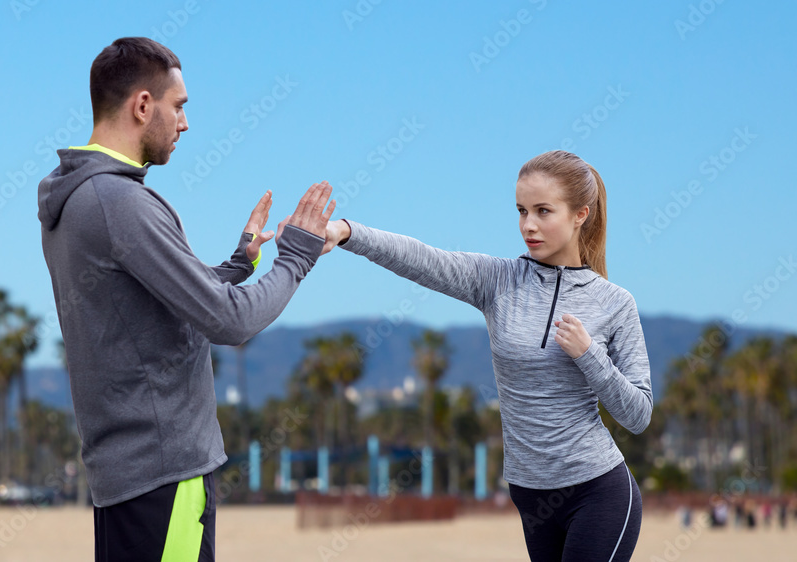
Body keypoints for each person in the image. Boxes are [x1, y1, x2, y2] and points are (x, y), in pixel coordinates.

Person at [37, 37, 335, 561]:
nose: (185, 123)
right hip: (164, 474)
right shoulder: (120, 201)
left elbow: (160, 296)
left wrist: (241, 263)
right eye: (180, 107)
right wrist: (298, 257)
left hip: (126, 480)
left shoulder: (78, 197)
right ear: (143, 105)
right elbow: (228, 322)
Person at [321, 150, 652, 561]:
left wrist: (589, 356)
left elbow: (639, 415)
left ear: (580, 214)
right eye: (521, 210)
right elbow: (423, 259)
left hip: (598, 490)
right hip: (530, 495)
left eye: (543, 211)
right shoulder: (497, 281)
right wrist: (347, 231)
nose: (528, 225)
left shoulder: (615, 303)